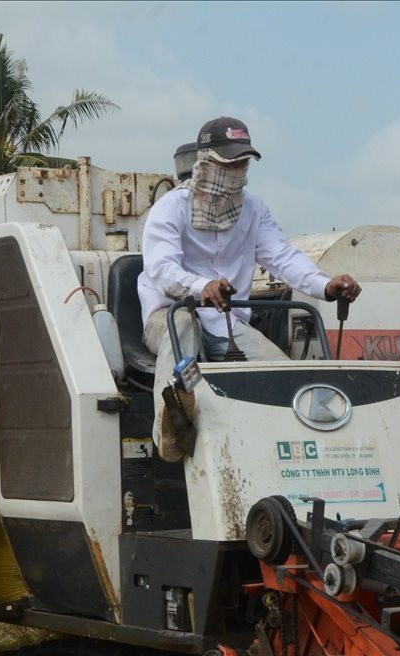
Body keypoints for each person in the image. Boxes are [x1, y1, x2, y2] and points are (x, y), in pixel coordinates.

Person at [137, 116, 363, 461]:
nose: (237, 171)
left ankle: (285, 453)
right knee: (184, 329)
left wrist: (325, 285)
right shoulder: (170, 208)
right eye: (230, 163)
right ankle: (171, 432)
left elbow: (283, 257)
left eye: (243, 163)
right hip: (168, 316)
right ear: (206, 162)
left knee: (287, 381)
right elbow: (161, 270)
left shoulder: (254, 210)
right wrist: (201, 286)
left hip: (228, 323)